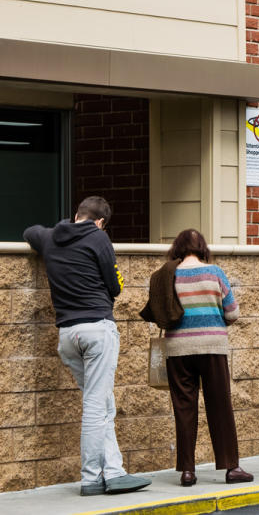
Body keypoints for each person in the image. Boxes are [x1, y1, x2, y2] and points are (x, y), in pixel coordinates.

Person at [23, 196, 152, 496]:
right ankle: (92, 478)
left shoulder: (51, 236)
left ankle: (115, 471)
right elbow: (115, 285)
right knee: (96, 406)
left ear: (77, 215)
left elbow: (30, 231)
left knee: (102, 403)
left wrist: (55, 232)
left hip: (67, 336)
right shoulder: (99, 238)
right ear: (100, 222)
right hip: (97, 330)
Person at [157, 230, 253, 486]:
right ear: (202, 248)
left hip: (177, 350)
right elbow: (232, 313)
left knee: (184, 410)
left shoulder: (169, 274)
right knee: (220, 407)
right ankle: (232, 468)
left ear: (177, 247)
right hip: (212, 347)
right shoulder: (215, 273)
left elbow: (160, 312)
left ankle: (187, 471)